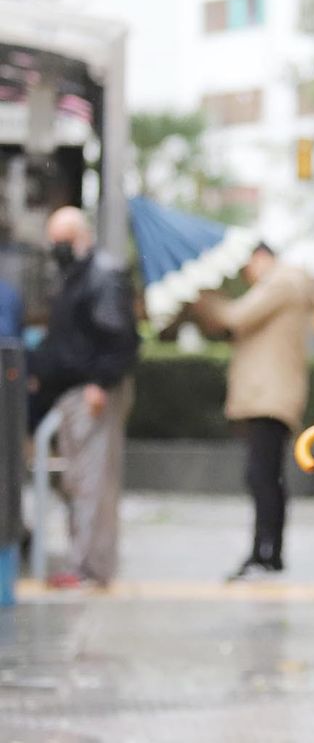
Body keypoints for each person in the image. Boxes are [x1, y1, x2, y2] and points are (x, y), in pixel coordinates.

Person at [192, 243, 314, 582]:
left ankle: (265, 555)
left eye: (248, 266)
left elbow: (236, 316)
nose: (248, 276)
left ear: (261, 257)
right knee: (265, 476)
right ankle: (268, 554)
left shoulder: (283, 282)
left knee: (263, 476)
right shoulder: (287, 286)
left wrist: (202, 294)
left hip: (270, 396)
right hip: (269, 395)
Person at [31, 206, 140, 589]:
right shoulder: (74, 277)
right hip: (74, 391)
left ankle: (91, 568)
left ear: (80, 237)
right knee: (78, 480)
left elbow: (119, 337)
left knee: (94, 481)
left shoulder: (103, 274)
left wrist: (101, 381)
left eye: (60, 239)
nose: (54, 247)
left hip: (94, 392)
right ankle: (84, 562)